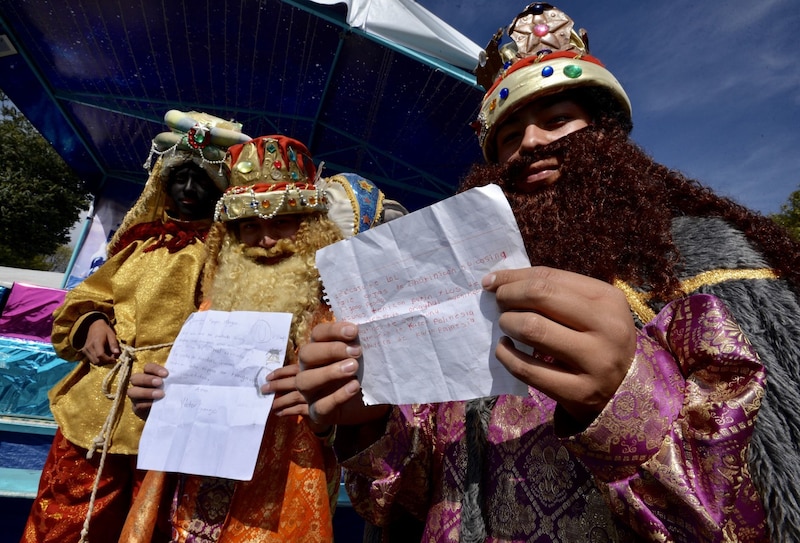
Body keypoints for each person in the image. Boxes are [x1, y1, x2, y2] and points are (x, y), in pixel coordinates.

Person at [296, 3, 800, 542]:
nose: (532, 143)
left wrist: (631, 400)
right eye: (509, 137)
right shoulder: (456, 301)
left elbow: (778, 495)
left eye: (557, 120)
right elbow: (413, 498)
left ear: (607, 135)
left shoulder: (710, 262)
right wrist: (369, 422)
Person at [120, 136, 394, 542]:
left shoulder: (343, 317)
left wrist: (326, 422)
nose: (266, 242)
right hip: (189, 511)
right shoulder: (211, 309)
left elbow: (376, 438)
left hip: (279, 513)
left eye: (282, 222)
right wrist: (157, 403)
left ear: (313, 229)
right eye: (250, 226)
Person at [21, 111, 250, 543]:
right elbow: (85, 298)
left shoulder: (229, 261)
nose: (187, 189)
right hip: (96, 410)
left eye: (200, 180)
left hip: (172, 420)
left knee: (152, 528)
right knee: (65, 520)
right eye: (179, 176)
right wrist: (91, 323)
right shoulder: (139, 244)